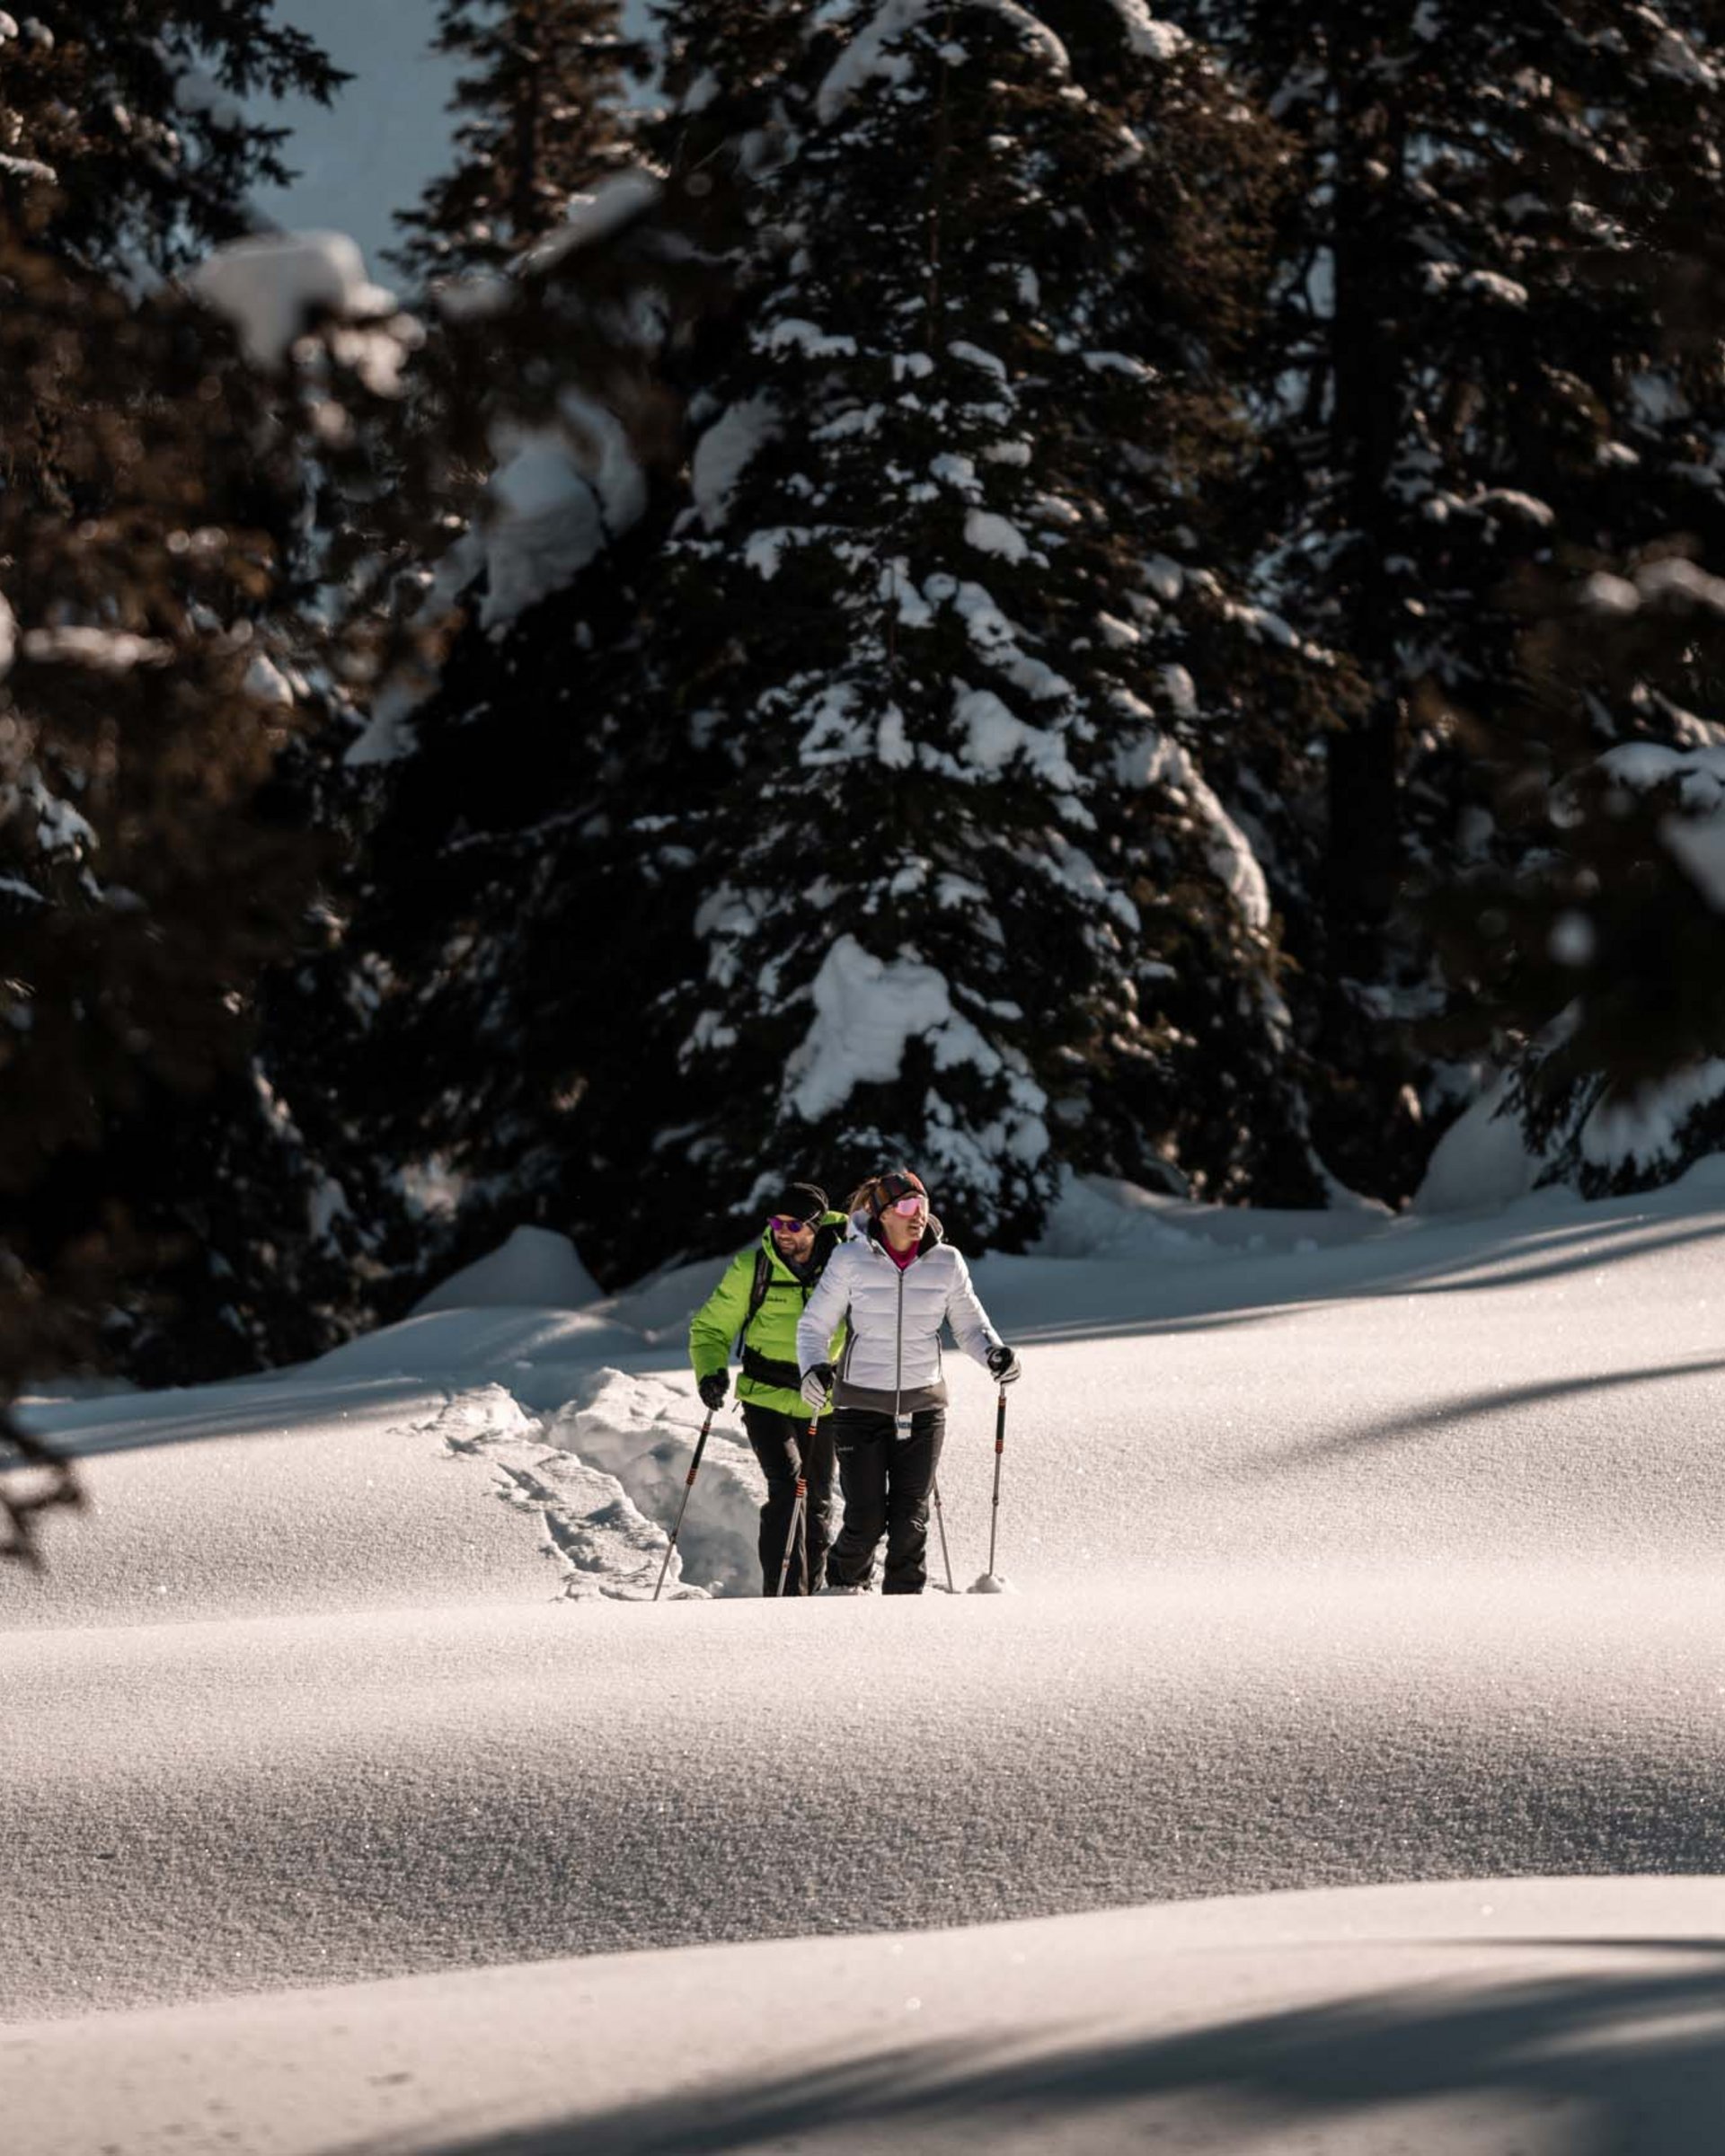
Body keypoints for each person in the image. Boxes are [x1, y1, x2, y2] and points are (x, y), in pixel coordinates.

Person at [795, 1166, 1021, 1595]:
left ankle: (906, 1611)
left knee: (910, 1520)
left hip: (922, 1407)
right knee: (864, 1519)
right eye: (907, 1205)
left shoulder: (946, 1262)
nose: (919, 1214)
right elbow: (813, 1328)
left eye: (923, 1204)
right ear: (883, 1214)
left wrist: (995, 1354)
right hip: (860, 1406)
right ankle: (841, 1591)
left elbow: (971, 1326)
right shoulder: (849, 1259)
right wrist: (813, 1369)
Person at [688, 1180, 850, 1595]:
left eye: (794, 1224)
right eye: (777, 1221)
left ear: (816, 1227)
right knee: (787, 1486)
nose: (783, 1231)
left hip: (822, 1399)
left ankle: (812, 1592)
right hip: (764, 1395)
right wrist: (710, 1372)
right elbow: (710, 1328)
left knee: (816, 1499)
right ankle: (781, 1594)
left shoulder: (844, 1266)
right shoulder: (752, 1268)